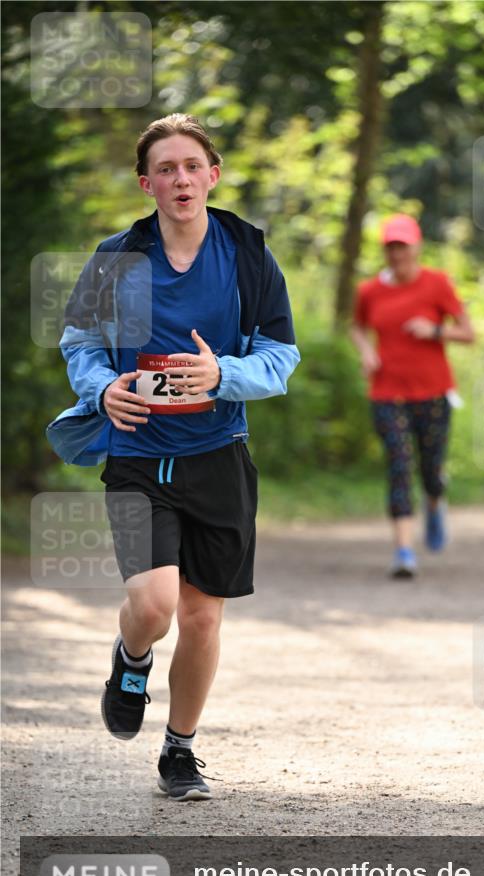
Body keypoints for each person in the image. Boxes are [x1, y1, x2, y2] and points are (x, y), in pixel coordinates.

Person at [46, 113, 300, 800]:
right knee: (154, 606)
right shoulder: (120, 256)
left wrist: (224, 377)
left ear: (212, 174)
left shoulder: (246, 254)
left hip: (218, 454)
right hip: (136, 454)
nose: (180, 178)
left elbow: (282, 355)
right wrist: (102, 390)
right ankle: (131, 660)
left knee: (201, 616)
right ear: (146, 182)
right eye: (166, 168)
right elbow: (79, 341)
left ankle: (179, 751)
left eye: (192, 165)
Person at [350, 214, 474, 578]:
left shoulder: (437, 284)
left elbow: (468, 333)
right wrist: (366, 352)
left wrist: (434, 330)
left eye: (402, 246)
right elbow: (357, 327)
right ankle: (404, 550)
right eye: (391, 247)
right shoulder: (369, 291)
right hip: (387, 393)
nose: (397, 253)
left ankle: (435, 501)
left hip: (433, 393)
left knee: (431, 470)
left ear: (416, 247)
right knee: (400, 466)